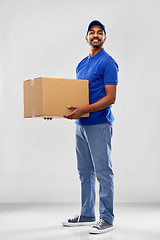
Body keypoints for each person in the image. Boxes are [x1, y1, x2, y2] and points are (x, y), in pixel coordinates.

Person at [61, 20, 119, 234]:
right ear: (86, 38)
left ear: (104, 37)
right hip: (80, 124)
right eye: (91, 33)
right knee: (85, 172)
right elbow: (77, 96)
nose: (95, 35)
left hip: (99, 124)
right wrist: (53, 110)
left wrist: (84, 108)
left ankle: (107, 218)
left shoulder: (108, 62)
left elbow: (111, 98)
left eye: (100, 33)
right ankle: (87, 213)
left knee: (103, 172)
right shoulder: (81, 64)